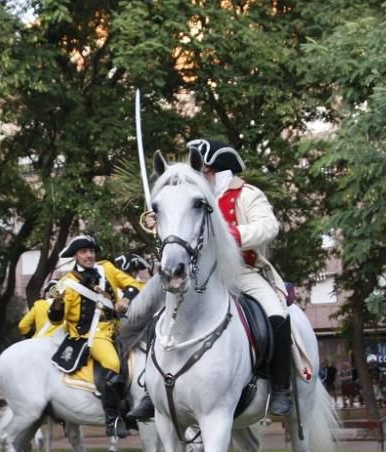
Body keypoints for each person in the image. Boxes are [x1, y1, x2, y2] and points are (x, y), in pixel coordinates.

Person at [132, 138, 294, 418]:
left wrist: (231, 236)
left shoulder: (247, 194)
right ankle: (151, 390)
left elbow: (269, 226)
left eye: (203, 171)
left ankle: (280, 387)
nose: (198, 176)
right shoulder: (189, 196)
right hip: (199, 276)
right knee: (158, 317)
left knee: (276, 316)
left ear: (217, 171)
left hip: (244, 273)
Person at [49, 235, 143, 437]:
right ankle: (114, 419)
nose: (89, 255)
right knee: (112, 363)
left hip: (119, 329)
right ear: (75, 255)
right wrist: (57, 303)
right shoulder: (66, 283)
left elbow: (134, 284)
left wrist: (125, 299)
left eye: (91, 251)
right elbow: (57, 320)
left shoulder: (106, 268)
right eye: (83, 252)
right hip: (91, 335)